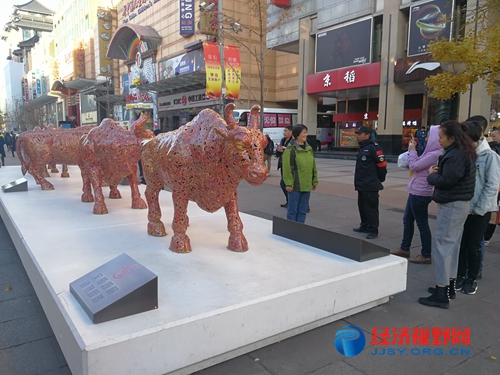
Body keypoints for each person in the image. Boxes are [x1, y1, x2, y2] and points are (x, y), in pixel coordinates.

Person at [419, 121, 476, 309]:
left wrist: (431, 175)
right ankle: (449, 286)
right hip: (459, 204)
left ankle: (441, 292)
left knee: (443, 246)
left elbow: (447, 180)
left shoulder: (455, 155)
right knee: (452, 246)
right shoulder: (462, 152)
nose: (438, 140)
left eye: (441, 137)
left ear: (452, 138)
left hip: (452, 204)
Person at [453, 121, 500, 295]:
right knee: (461, 243)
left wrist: (478, 209)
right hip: (462, 206)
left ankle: (471, 278)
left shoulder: (490, 156)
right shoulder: (463, 154)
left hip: (480, 210)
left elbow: (492, 186)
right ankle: (459, 275)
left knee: (473, 245)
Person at [391, 125, 442, 263]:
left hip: (421, 192)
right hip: (415, 190)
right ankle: (405, 247)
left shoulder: (435, 153)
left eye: (429, 135)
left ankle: (426, 254)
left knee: (422, 224)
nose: (426, 137)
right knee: (407, 220)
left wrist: (412, 151)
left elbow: (414, 166)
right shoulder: (430, 151)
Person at [353, 126, 387, 239]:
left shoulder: (374, 148)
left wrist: (379, 179)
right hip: (362, 184)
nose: (357, 135)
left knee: (371, 208)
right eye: (357, 133)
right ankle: (364, 225)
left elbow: (382, 165)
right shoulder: (363, 147)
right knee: (362, 206)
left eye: (360, 134)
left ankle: (373, 229)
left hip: (370, 184)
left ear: (367, 135)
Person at [282, 124, 318, 223]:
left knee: (302, 211)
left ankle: (300, 230)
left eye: (306, 132)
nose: (306, 135)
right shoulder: (290, 149)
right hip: (295, 186)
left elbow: (313, 165)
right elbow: (287, 167)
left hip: (306, 184)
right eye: (304, 133)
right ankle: (292, 232)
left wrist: (314, 180)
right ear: (297, 135)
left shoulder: (309, 149)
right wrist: (288, 184)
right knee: (293, 210)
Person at [276, 125, 293, 208]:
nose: (284, 133)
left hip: (290, 165)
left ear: (291, 132)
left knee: (284, 183)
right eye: (284, 131)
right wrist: (278, 151)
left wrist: (285, 148)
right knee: (284, 184)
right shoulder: (283, 140)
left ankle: (293, 202)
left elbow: (293, 150)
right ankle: (289, 201)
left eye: (285, 131)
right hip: (283, 164)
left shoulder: (293, 141)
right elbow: (280, 150)